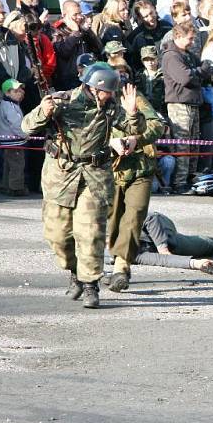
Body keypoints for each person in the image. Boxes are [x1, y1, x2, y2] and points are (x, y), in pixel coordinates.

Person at [22, 64, 145, 308]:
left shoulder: (110, 108)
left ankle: (90, 285)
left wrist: (132, 113)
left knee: (90, 232)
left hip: (94, 176)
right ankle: (75, 271)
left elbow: (135, 129)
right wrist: (42, 113)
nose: (110, 95)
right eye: (106, 91)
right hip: (61, 176)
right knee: (57, 235)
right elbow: (26, 128)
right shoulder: (62, 101)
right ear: (93, 87)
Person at [106, 62, 164, 292]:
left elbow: (157, 126)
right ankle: (114, 259)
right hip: (111, 170)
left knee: (135, 214)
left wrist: (135, 140)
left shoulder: (135, 99)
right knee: (113, 219)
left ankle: (121, 267)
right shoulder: (93, 104)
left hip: (140, 168)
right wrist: (110, 143)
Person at [162, 21, 213, 194]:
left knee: (194, 144)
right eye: (189, 39)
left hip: (193, 102)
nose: (192, 42)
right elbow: (184, 78)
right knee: (183, 145)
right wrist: (199, 72)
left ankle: (191, 178)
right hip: (179, 104)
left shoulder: (189, 55)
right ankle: (179, 182)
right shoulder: (171, 56)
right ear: (178, 36)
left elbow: (202, 76)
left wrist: (199, 73)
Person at [129, 211, 213, 271]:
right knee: (207, 245)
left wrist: (162, 247)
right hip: (170, 246)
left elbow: (151, 217)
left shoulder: (122, 221)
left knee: (210, 244)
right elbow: (160, 260)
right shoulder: (123, 254)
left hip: (164, 232)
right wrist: (196, 264)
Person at [52, 0, 102, 90]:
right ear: (64, 15)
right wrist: (75, 33)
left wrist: (86, 30)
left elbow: (97, 48)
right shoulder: (57, 31)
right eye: (75, 15)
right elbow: (63, 52)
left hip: (85, 75)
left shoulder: (82, 29)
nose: (79, 17)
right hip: (67, 80)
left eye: (80, 13)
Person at [0, 78, 27, 196]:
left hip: (8, 141)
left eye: (20, 90)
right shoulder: (10, 106)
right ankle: (16, 187)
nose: (20, 93)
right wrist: (25, 134)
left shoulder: (10, 104)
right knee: (17, 164)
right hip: (14, 141)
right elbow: (15, 124)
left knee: (8, 164)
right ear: (7, 93)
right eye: (16, 91)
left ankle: (6, 185)